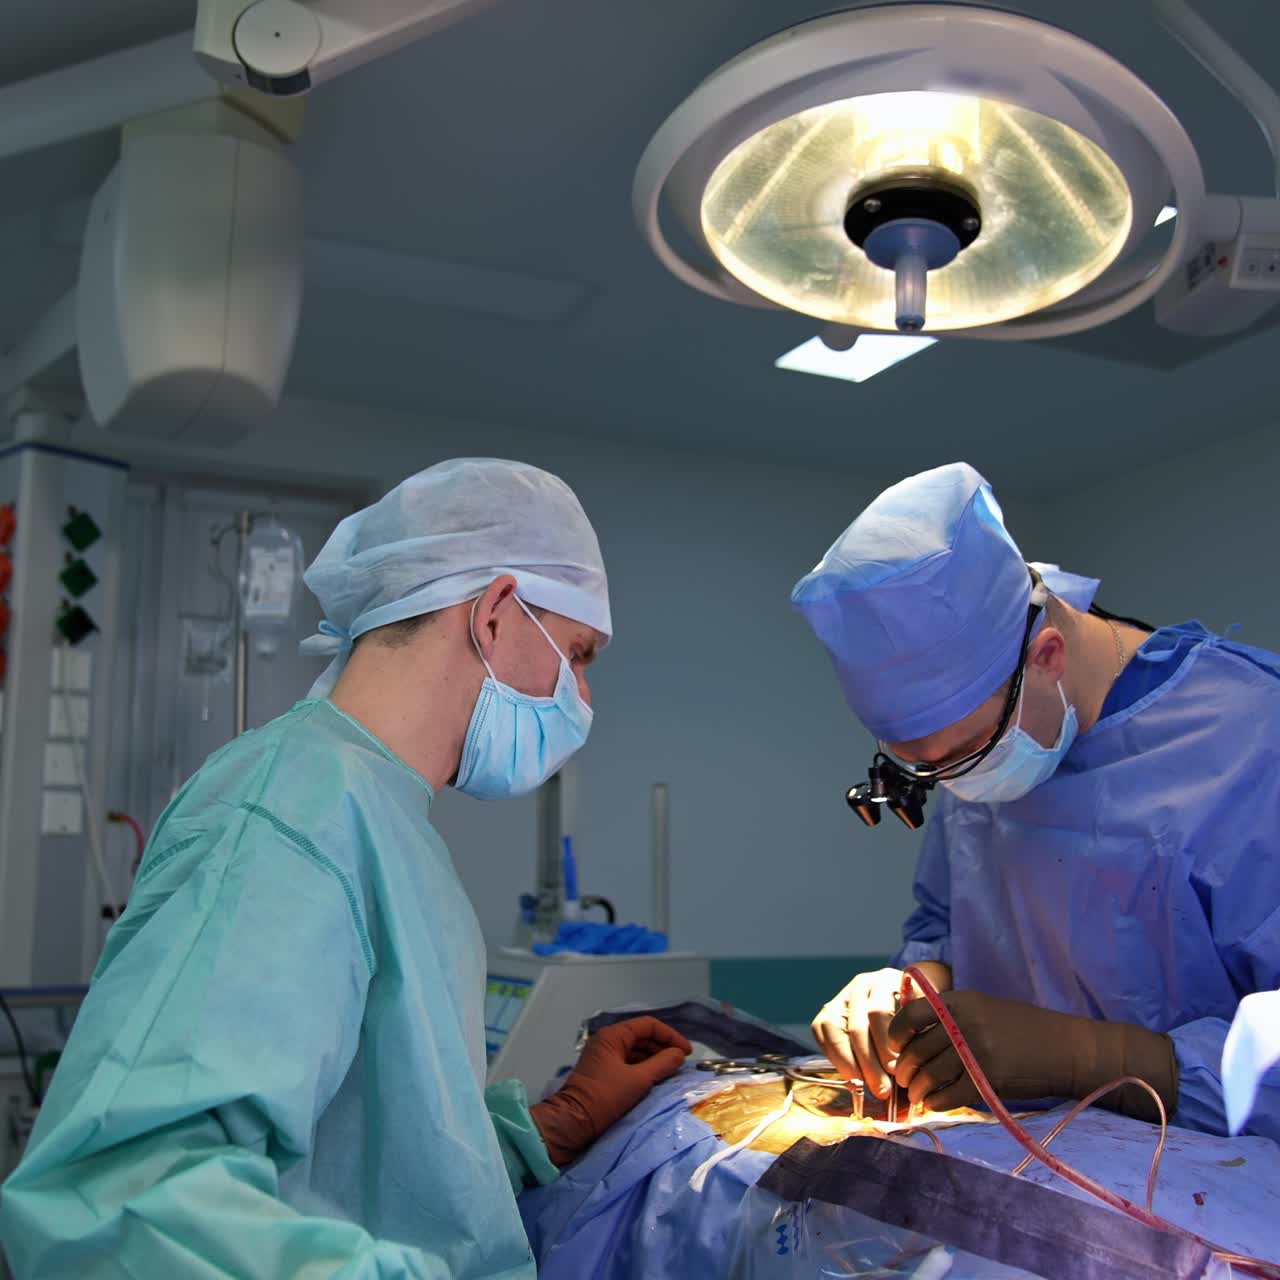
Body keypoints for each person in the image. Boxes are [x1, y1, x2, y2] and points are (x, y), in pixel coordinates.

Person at [0, 458, 691, 1278]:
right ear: (496, 614)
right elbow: (120, 1209)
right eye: (578, 655)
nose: (581, 696)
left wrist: (551, 1125)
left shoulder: (377, 818)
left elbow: (363, 1165)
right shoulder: (288, 816)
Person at [792, 462, 1280, 1141]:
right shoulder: (988, 741)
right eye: (922, 766)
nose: (955, 783)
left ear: (1046, 657)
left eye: (964, 752)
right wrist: (917, 984)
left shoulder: (1254, 739)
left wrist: (1094, 1057)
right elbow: (950, 921)